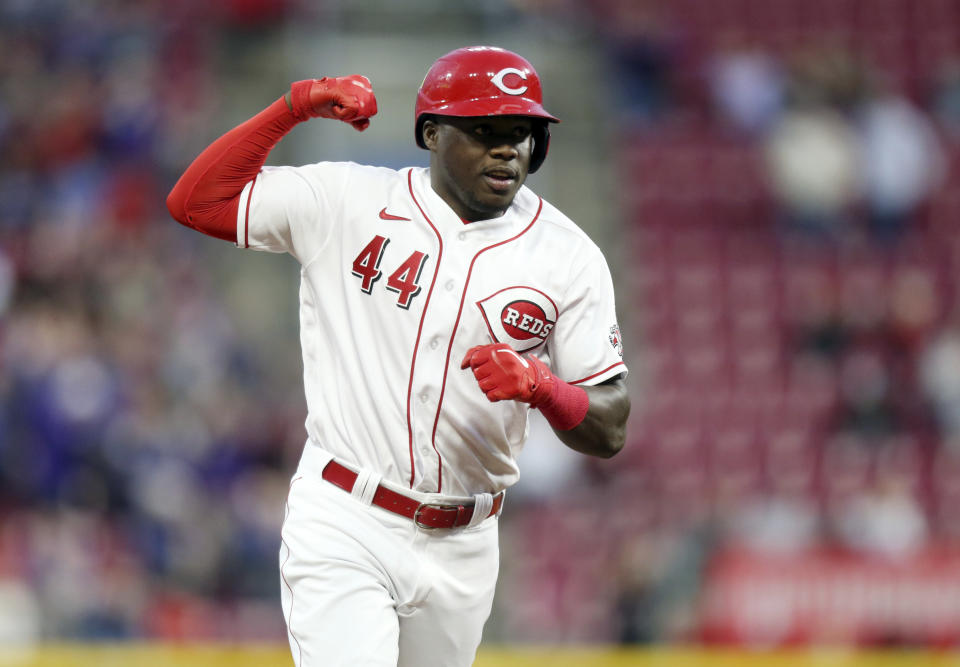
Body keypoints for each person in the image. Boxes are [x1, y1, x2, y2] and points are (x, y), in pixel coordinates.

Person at [165, 46, 629, 667]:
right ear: (432, 134)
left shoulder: (568, 257)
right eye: (485, 130)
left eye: (522, 133)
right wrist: (290, 109)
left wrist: (544, 387)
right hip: (346, 516)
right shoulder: (347, 201)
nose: (507, 149)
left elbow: (611, 426)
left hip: (466, 540)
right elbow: (196, 202)